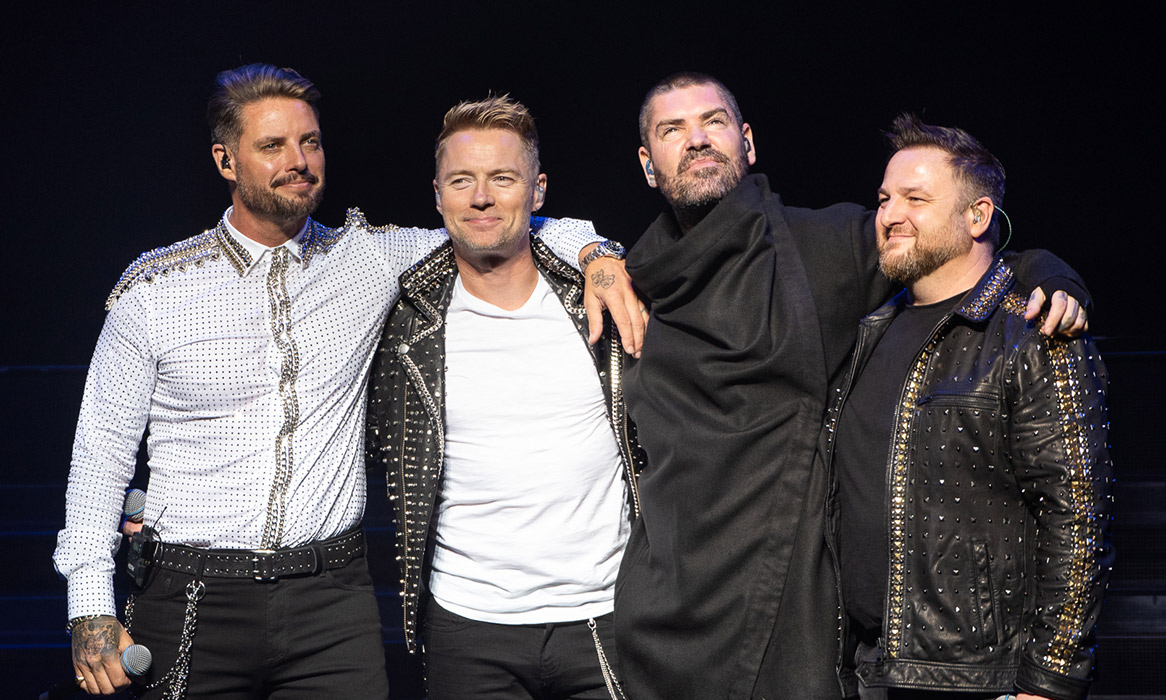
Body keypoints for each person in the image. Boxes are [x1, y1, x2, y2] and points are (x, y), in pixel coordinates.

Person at [52, 64, 640, 698]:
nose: (298, 160)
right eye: (272, 146)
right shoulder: (155, 288)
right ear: (226, 161)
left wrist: (599, 254)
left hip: (330, 600)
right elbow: (99, 457)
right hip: (190, 592)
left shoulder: (367, 257)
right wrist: (90, 603)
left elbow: (503, 221)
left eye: (310, 142)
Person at [614, 72, 1090, 700]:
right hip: (664, 604)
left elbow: (949, 242)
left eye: (714, 122)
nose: (697, 140)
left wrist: (1052, 276)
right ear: (648, 165)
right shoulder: (631, 280)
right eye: (673, 130)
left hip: (793, 608)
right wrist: (595, 257)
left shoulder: (823, 246)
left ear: (748, 142)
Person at [366, 95, 643, 700]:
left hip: (604, 615)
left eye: (503, 179)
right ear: (437, 195)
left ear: (537, 191)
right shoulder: (406, 318)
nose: (482, 197)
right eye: (461, 181)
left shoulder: (601, 298)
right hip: (467, 626)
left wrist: (597, 252)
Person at [827, 113, 1112, 700]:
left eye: (916, 198)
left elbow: (1079, 516)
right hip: (870, 669)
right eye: (883, 199)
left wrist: (1049, 682)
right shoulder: (868, 332)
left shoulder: (1032, 333)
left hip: (979, 681)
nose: (890, 214)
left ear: (979, 215)